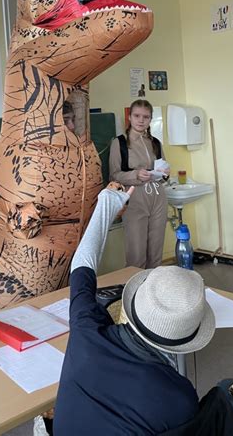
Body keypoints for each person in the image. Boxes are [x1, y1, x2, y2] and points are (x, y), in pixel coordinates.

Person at [53, 183, 216, 435]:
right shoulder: (180, 399)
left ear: (133, 304)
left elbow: (82, 266)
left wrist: (108, 202)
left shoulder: (86, 332)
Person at [109, 99, 169, 268]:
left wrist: (165, 174)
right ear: (130, 116)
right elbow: (114, 175)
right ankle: (135, 291)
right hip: (134, 197)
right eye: (137, 115)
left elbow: (163, 168)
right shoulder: (119, 143)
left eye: (146, 117)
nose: (141, 120)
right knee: (136, 253)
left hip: (158, 196)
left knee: (156, 251)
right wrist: (135, 174)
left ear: (150, 119)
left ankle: (152, 291)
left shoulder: (156, 143)